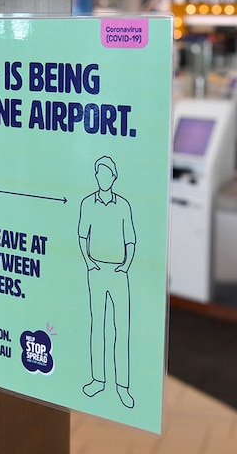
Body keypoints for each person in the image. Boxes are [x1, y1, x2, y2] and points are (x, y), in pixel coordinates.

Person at [77, 155, 136, 408]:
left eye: (107, 173)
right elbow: (82, 235)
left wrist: (126, 265)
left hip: (119, 273)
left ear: (114, 177)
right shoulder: (87, 204)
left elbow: (130, 240)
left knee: (121, 328)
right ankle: (98, 380)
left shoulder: (123, 205)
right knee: (97, 326)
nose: (102, 178)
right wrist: (88, 261)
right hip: (96, 270)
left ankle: (122, 386)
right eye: (98, 174)